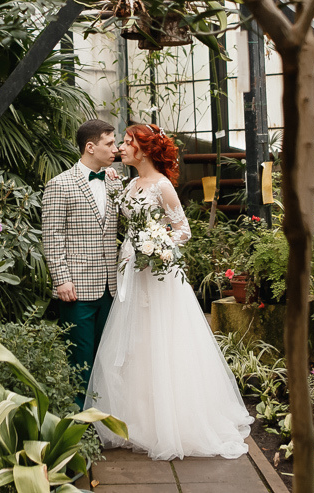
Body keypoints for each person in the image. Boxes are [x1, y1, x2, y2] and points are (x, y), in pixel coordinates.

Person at [88, 123, 252, 460]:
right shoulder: (131, 183)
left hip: (159, 275)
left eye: (128, 142)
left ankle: (173, 421)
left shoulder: (163, 187)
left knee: (164, 339)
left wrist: (157, 247)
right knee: (135, 341)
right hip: (131, 270)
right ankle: (137, 419)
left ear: (144, 150)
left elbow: (183, 231)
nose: (121, 146)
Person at [42, 118, 120, 407]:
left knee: (107, 361)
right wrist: (61, 279)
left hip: (111, 288)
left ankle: (103, 425)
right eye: (109, 143)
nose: (115, 148)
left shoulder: (114, 182)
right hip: (76, 289)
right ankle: (78, 430)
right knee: (80, 362)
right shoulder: (59, 185)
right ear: (91, 147)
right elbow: (52, 235)